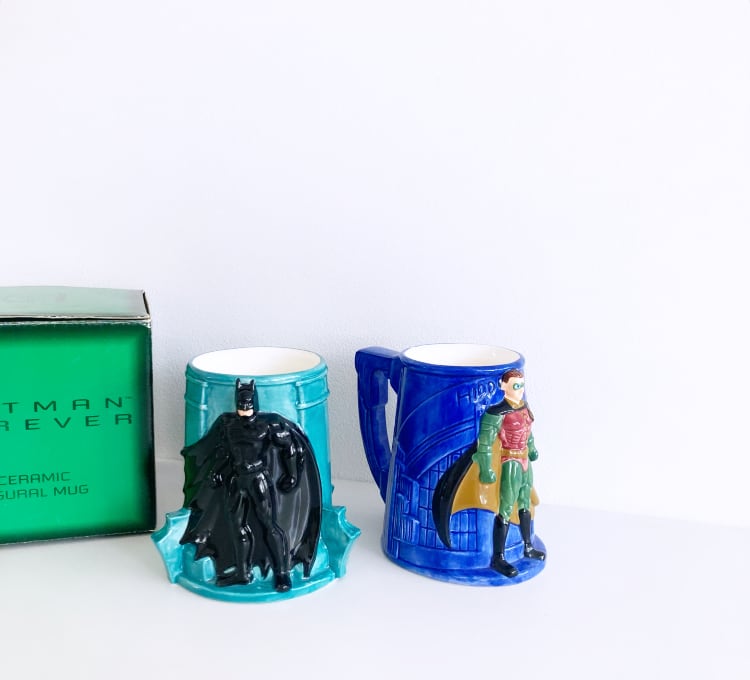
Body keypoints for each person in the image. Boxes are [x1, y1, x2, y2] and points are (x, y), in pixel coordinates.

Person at [180, 380, 322, 591]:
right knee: (237, 526)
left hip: (257, 481)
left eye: (247, 402)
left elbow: (290, 448)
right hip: (236, 481)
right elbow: (225, 453)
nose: (244, 407)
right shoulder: (228, 425)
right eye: (241, 402)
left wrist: (292, 474)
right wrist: (215, 472)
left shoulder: (268, 425)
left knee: (269, 525)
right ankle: (242, 573)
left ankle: (282, 573)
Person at [472, 368, 546, 577]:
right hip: (510, 461)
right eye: (515, 385)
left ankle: (527, 546)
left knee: (524, 502)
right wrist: (485, 469)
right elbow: (485, 443)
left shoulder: (524, 407)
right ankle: (499, 557)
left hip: (524, 459)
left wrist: (532, 448)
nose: (520, 389)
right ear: (503, 386)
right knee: (505, 507)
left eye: (522, 385)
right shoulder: (496, 412)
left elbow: (528, 433)